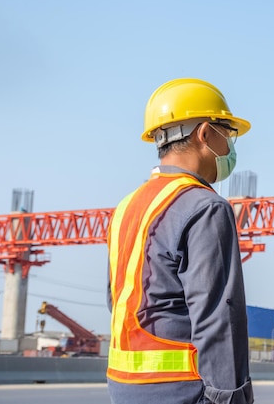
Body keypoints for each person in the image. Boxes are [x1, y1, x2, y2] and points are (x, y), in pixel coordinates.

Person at [106, 78, 254, 404]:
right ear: (204, 134)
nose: (230, 148)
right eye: (228, 134)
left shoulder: (127, 206)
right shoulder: (205, 206)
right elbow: (218, 317)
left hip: (123, 387)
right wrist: (232, 398)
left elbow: (115, 299)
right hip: (183, 389)